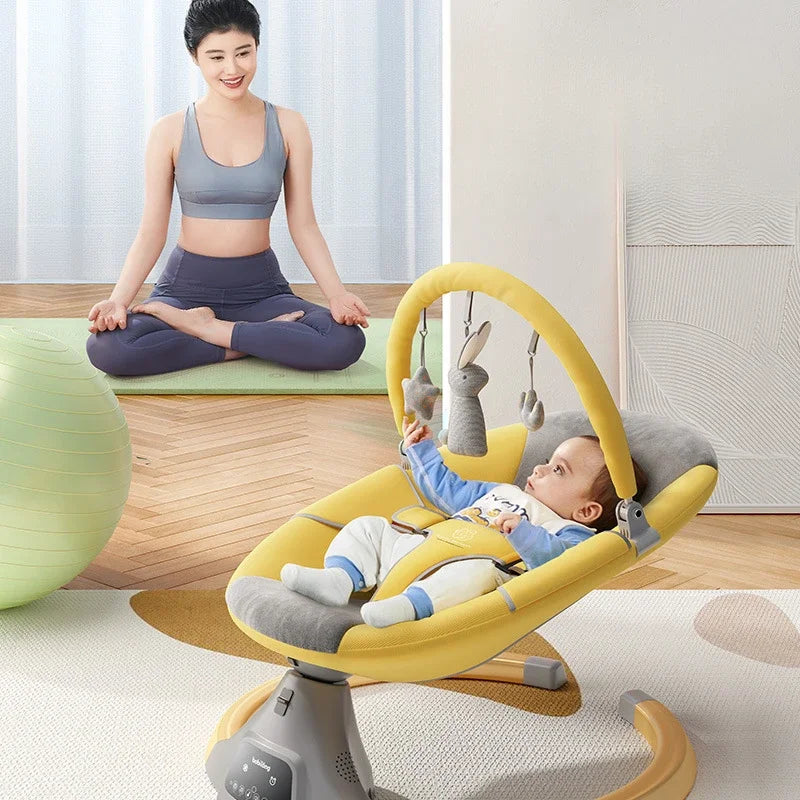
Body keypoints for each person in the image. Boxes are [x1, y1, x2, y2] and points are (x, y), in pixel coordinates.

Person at [86, 0, 370, 377]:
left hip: (262, 290)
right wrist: (118, 300)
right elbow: (151, 229)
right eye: (216, 57)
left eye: (243, 53)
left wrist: (337, 295)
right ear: (194, 56)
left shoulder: (289, 125)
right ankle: (249, 343)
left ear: (257, 47)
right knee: (109, 348)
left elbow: (304, 224)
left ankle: (211, 331)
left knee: (344, 340)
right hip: (183, 291)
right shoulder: (169, 131)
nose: (232, 69)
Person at [281, 416, 649, 627]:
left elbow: (562, 565)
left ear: (587, 511)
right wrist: (422, 450)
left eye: (557, 470)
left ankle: (407, 608)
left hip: (465, 571)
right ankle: (339, 579)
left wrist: (524, 535)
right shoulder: (503, 491)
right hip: (421, 544)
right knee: (368, 527)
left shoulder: (569, 531)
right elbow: (448, 490)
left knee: (475, 575)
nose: (538, 468)